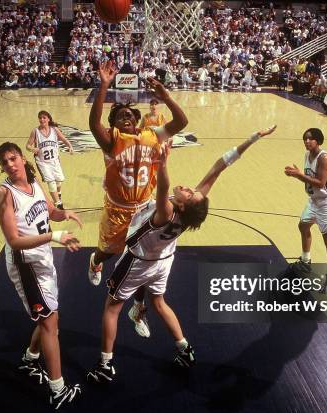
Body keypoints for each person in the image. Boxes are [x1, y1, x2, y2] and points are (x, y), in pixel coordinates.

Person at [86, 124, 278, 382]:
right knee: (160, 302)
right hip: (163, 261)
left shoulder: (165, 212)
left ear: (183, 204)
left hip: (138, 261)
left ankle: (105, 365)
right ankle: (184, 348)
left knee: (111, 308)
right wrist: (253, 137)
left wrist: (163, 164)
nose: (188, 187)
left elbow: (163, 188)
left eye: (188, 193)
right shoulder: (186, 214)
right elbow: (219, 167)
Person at [0, 142, 82, 410]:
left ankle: (31, 358)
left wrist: (62, 213)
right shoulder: (4, 193)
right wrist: (56, 236)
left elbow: (49, 213)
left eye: (13, 158)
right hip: (26, 264)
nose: (10, 164)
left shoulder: (34, 183)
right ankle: (57, 389)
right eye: (4, 161)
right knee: (50, 324)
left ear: (22, 158)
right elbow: (14, 240)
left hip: (43, 258)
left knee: (48, 315)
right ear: (1, 167)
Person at [87, 60, 188, 286]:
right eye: (120, 115)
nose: (126, 117)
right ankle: (95, 260)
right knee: (109, 251)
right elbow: (94, 124)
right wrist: (104, 85)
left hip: (144, 206)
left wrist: (166, 97)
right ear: (113, 124)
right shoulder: (111, 141)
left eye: (130, 115)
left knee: (143, 254)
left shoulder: (151, 135)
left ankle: (139, 306)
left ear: (136, 120)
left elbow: (181, 122)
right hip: (118, 209)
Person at [284, 128, 327, 292]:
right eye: (305, 139)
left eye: (310, 139)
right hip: (314, 200)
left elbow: (320, 183)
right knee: (303, 225)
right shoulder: (307, 155)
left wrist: (298, 175)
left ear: (318, 140)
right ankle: (305, 261)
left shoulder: (324, 157)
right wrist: (299, 174)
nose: (307, 141)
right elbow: (310, 179)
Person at [25, 110, 74, 209]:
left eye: (44, 117)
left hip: (55, 160)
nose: (42, 119)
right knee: (51, 182)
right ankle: (58, 204)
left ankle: (58, 194)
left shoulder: (55, 130)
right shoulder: (35, 131)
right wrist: (32, 149)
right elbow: (27, 146)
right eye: (40, 118)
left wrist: (69, 146)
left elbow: (64, 139)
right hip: (42, 162)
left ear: (48, 119)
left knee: (58, 180)